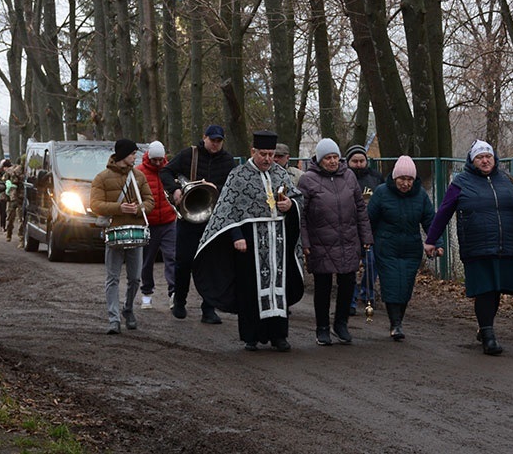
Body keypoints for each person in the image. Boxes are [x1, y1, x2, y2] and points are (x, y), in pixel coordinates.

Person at [193, 130, 303, 352]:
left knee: (277, 287)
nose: (268, 159)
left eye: (271, 154)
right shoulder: (238, 175)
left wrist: (290, 205)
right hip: (249, 241)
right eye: (263, 154)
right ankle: (251, 336)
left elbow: (297, 197)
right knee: (250, 289)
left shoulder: (280, 174)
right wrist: (236, 236)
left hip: (277, 241)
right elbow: (226, 209)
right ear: (253, 151)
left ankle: (279, 335)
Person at [424, 140, 513, 356]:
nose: (484, 160)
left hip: (506, 243)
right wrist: (431, 239)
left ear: (494, 158)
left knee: (496, 289)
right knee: (484, 289)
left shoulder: (509, 180)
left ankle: (485, 328)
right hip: (477, 244)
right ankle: (489, 337)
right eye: (479, 157)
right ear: (472, 161)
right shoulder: (461, 183)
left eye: (488, 156)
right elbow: (444, 212)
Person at [298, 138, 373, 346]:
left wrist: (366, 236)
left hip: (348, 239)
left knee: (348, 282)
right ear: (320, 159)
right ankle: (322, 327)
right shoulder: (308, 180)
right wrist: (304, 241)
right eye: (328, 158)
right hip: (320, 240)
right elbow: (301, 215)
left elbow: (360, 208)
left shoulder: (349, 176)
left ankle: (341, 324)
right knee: (323, 285)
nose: (332, 161)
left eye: (335, 157)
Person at [159, 124, 236, 324]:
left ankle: (208, 309)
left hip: (213, 219)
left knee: (211, 265)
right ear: (205, 138)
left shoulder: (227, 161)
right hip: (188, 218)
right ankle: (180, 302)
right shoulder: (189, 154)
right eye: (212, 140)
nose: (215, 144)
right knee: (183, 262)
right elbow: (166, 172)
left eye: (219, 141)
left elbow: (232, 186)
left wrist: (214, 188)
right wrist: (175, 189)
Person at [367, 155, 438, 341]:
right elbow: (369, 219)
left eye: (409, 179)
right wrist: (366, 241)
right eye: (402, 179)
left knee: (405, 285)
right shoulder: (382, 193)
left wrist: (435, 243)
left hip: (411, 248)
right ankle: (395, 323)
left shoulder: (421, 195)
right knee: (391, 283)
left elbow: (430, 220)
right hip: (386, 246)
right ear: (394, 178)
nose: (405, 184)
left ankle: (399, 320)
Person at [90, 139, 154, 335]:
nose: (135, 157)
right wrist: (119, 208)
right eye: (132, 154)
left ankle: (128, 308)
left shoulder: (139, 176)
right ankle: (113, 319)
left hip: (135, 231)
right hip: (114, 232)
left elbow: (150, 201)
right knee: (112, 278)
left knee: (135, 278)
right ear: (122, 155)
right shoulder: (101, 178)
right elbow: (95, 204)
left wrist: (138, 209)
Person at [345, 144, 383, 316]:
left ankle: (367, 293)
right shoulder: (344, 178)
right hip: (350, 229)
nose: (359, 164)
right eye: (355, 161)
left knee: (371, 262)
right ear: (348, 162)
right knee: (351, 267)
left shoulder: (376, 178)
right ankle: (350, 299)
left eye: (362, 161)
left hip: (371, 229)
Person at [138, 141, 177, 309]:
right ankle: (146, 292)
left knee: (172, 257)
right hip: (149, 223)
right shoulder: (139, 172)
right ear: (149, 157)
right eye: (155, 160)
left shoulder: (170, 170)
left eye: (160, 160)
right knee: (147, 260)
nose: (158, 163)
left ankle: (174, 293)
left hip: (169, 220)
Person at [3, 156, 25, 243]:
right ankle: (9, 234)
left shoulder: (29, 171)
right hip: (12, 198)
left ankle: (21, 238)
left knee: (21, 219)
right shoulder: (12, 171)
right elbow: (4, 181)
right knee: (10, 218)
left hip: (21, 198)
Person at [0, 159, 12, 229]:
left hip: (8, 194)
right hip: (0, 194)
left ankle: (3, 226)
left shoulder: (11, 173)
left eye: (8, 167)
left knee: (4, 211)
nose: (7, 169)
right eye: (5, 167)